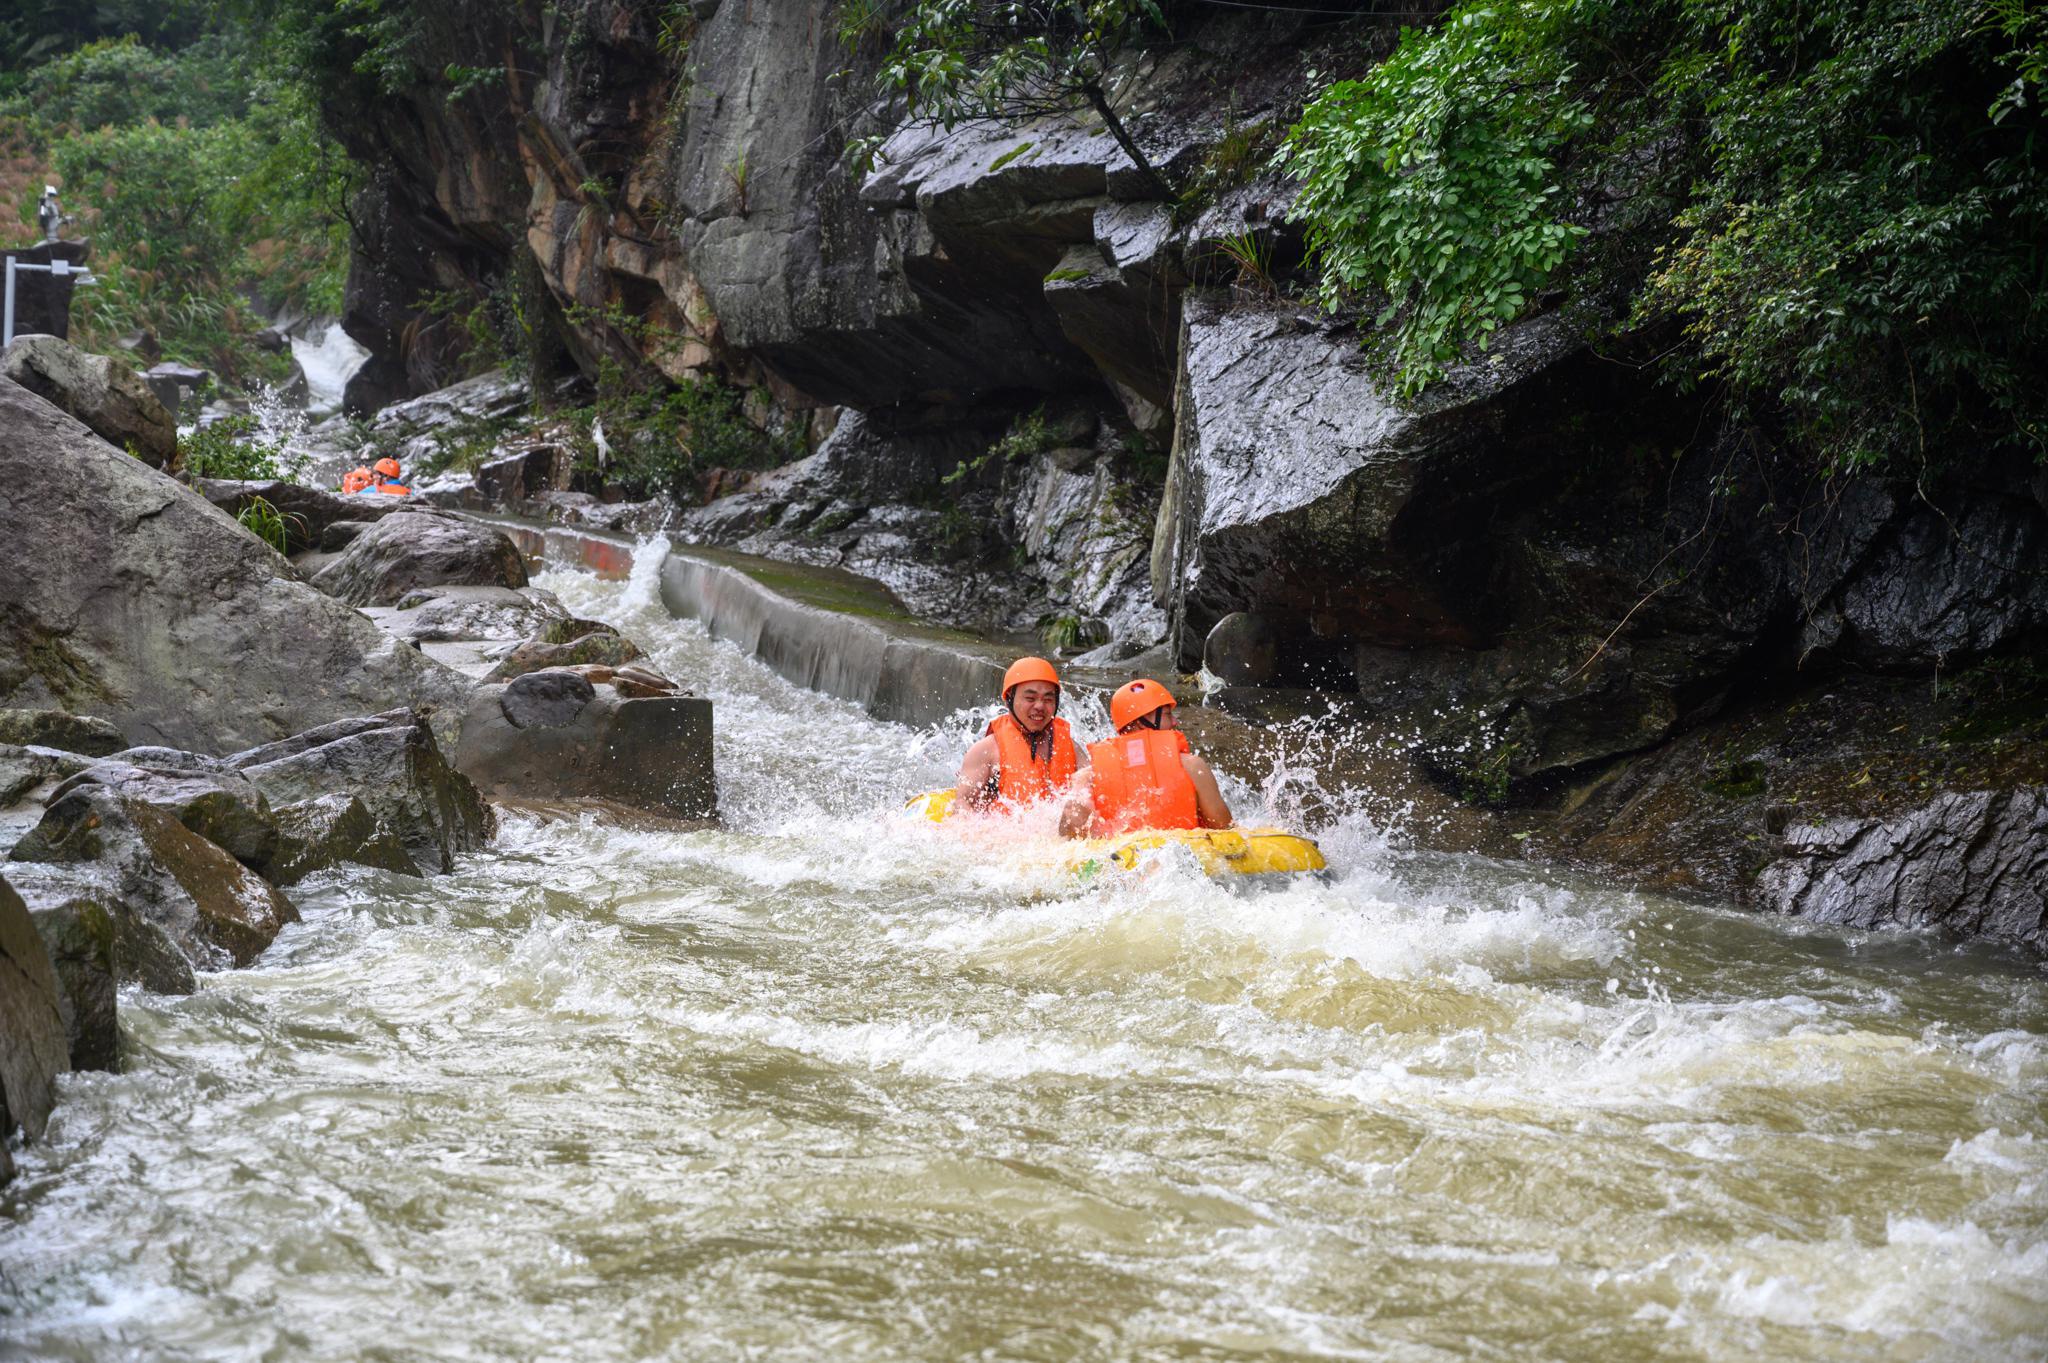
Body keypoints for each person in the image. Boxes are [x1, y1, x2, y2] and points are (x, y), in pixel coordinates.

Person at [955, 657, 1090, 830]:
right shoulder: (985, 751)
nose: (1040, 706)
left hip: (1055, 840)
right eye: (1030, 698)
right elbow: (962, 805)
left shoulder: (1071, 747)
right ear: (1009, 699)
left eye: (1048, 699)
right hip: (1005, 838)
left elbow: (1094, 795)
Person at [1086, 678, 1232, 835]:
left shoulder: (1090, 775)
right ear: (1142, 722)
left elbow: (1072, 829)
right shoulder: (1192, 766)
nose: (1175, 721)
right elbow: (1225, 830)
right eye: (1167, 714)